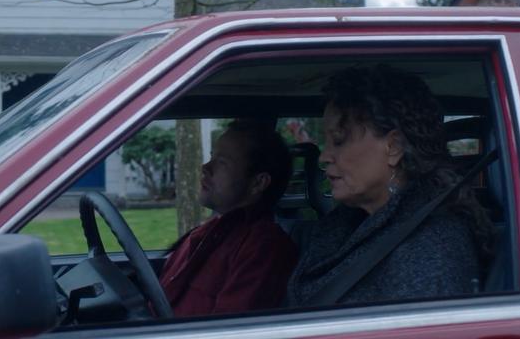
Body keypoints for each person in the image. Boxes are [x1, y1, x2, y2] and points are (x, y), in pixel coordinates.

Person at [286, 65, 493, 306]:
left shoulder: (433, 251)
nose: (324, 157)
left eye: (339, 140)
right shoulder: (350, 222)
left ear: (393, 147)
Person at [159, 119, 298, 317]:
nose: (205, 168)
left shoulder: (263, 248)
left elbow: (229, 330)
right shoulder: (209, 232)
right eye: (211, 157)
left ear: (258, 183)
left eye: (222, 162)